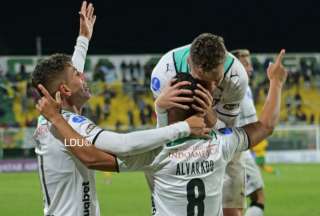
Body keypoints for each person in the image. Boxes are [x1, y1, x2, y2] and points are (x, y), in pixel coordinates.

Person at [36, 49, 287, 216]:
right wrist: (275, 82)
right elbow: (265, 125)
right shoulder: (223, 143)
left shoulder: (155, 154)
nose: (83, 76)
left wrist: (57, 119)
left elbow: (96, 155)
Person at [32, 2, 207, 216]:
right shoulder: (67, 124)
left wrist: (83, 39)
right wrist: (184, 127)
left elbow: (67, 80)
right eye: (78, 75)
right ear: (65, 90)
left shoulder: (48, 119)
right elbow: (122, 145)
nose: (84, 76)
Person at [150, 33, 249, 215]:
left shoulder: (236, 77)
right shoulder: (164, 73)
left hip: (219, 134)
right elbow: (164, 133)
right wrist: (159, 107)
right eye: (203, 81)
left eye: (217, 80)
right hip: (180, 140)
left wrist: (211, 117)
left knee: (232, 210)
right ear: (189, 62)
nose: (211, 87)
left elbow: (228, 133)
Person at [231, 49, 265, 216]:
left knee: (233, 205)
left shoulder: (232, 85)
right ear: (236, 66)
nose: (250, 67)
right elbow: (253, 125)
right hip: (239, 150)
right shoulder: (241, 88)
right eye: (246, 63)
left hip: (230, 148)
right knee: (257, 198)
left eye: (250, 62)